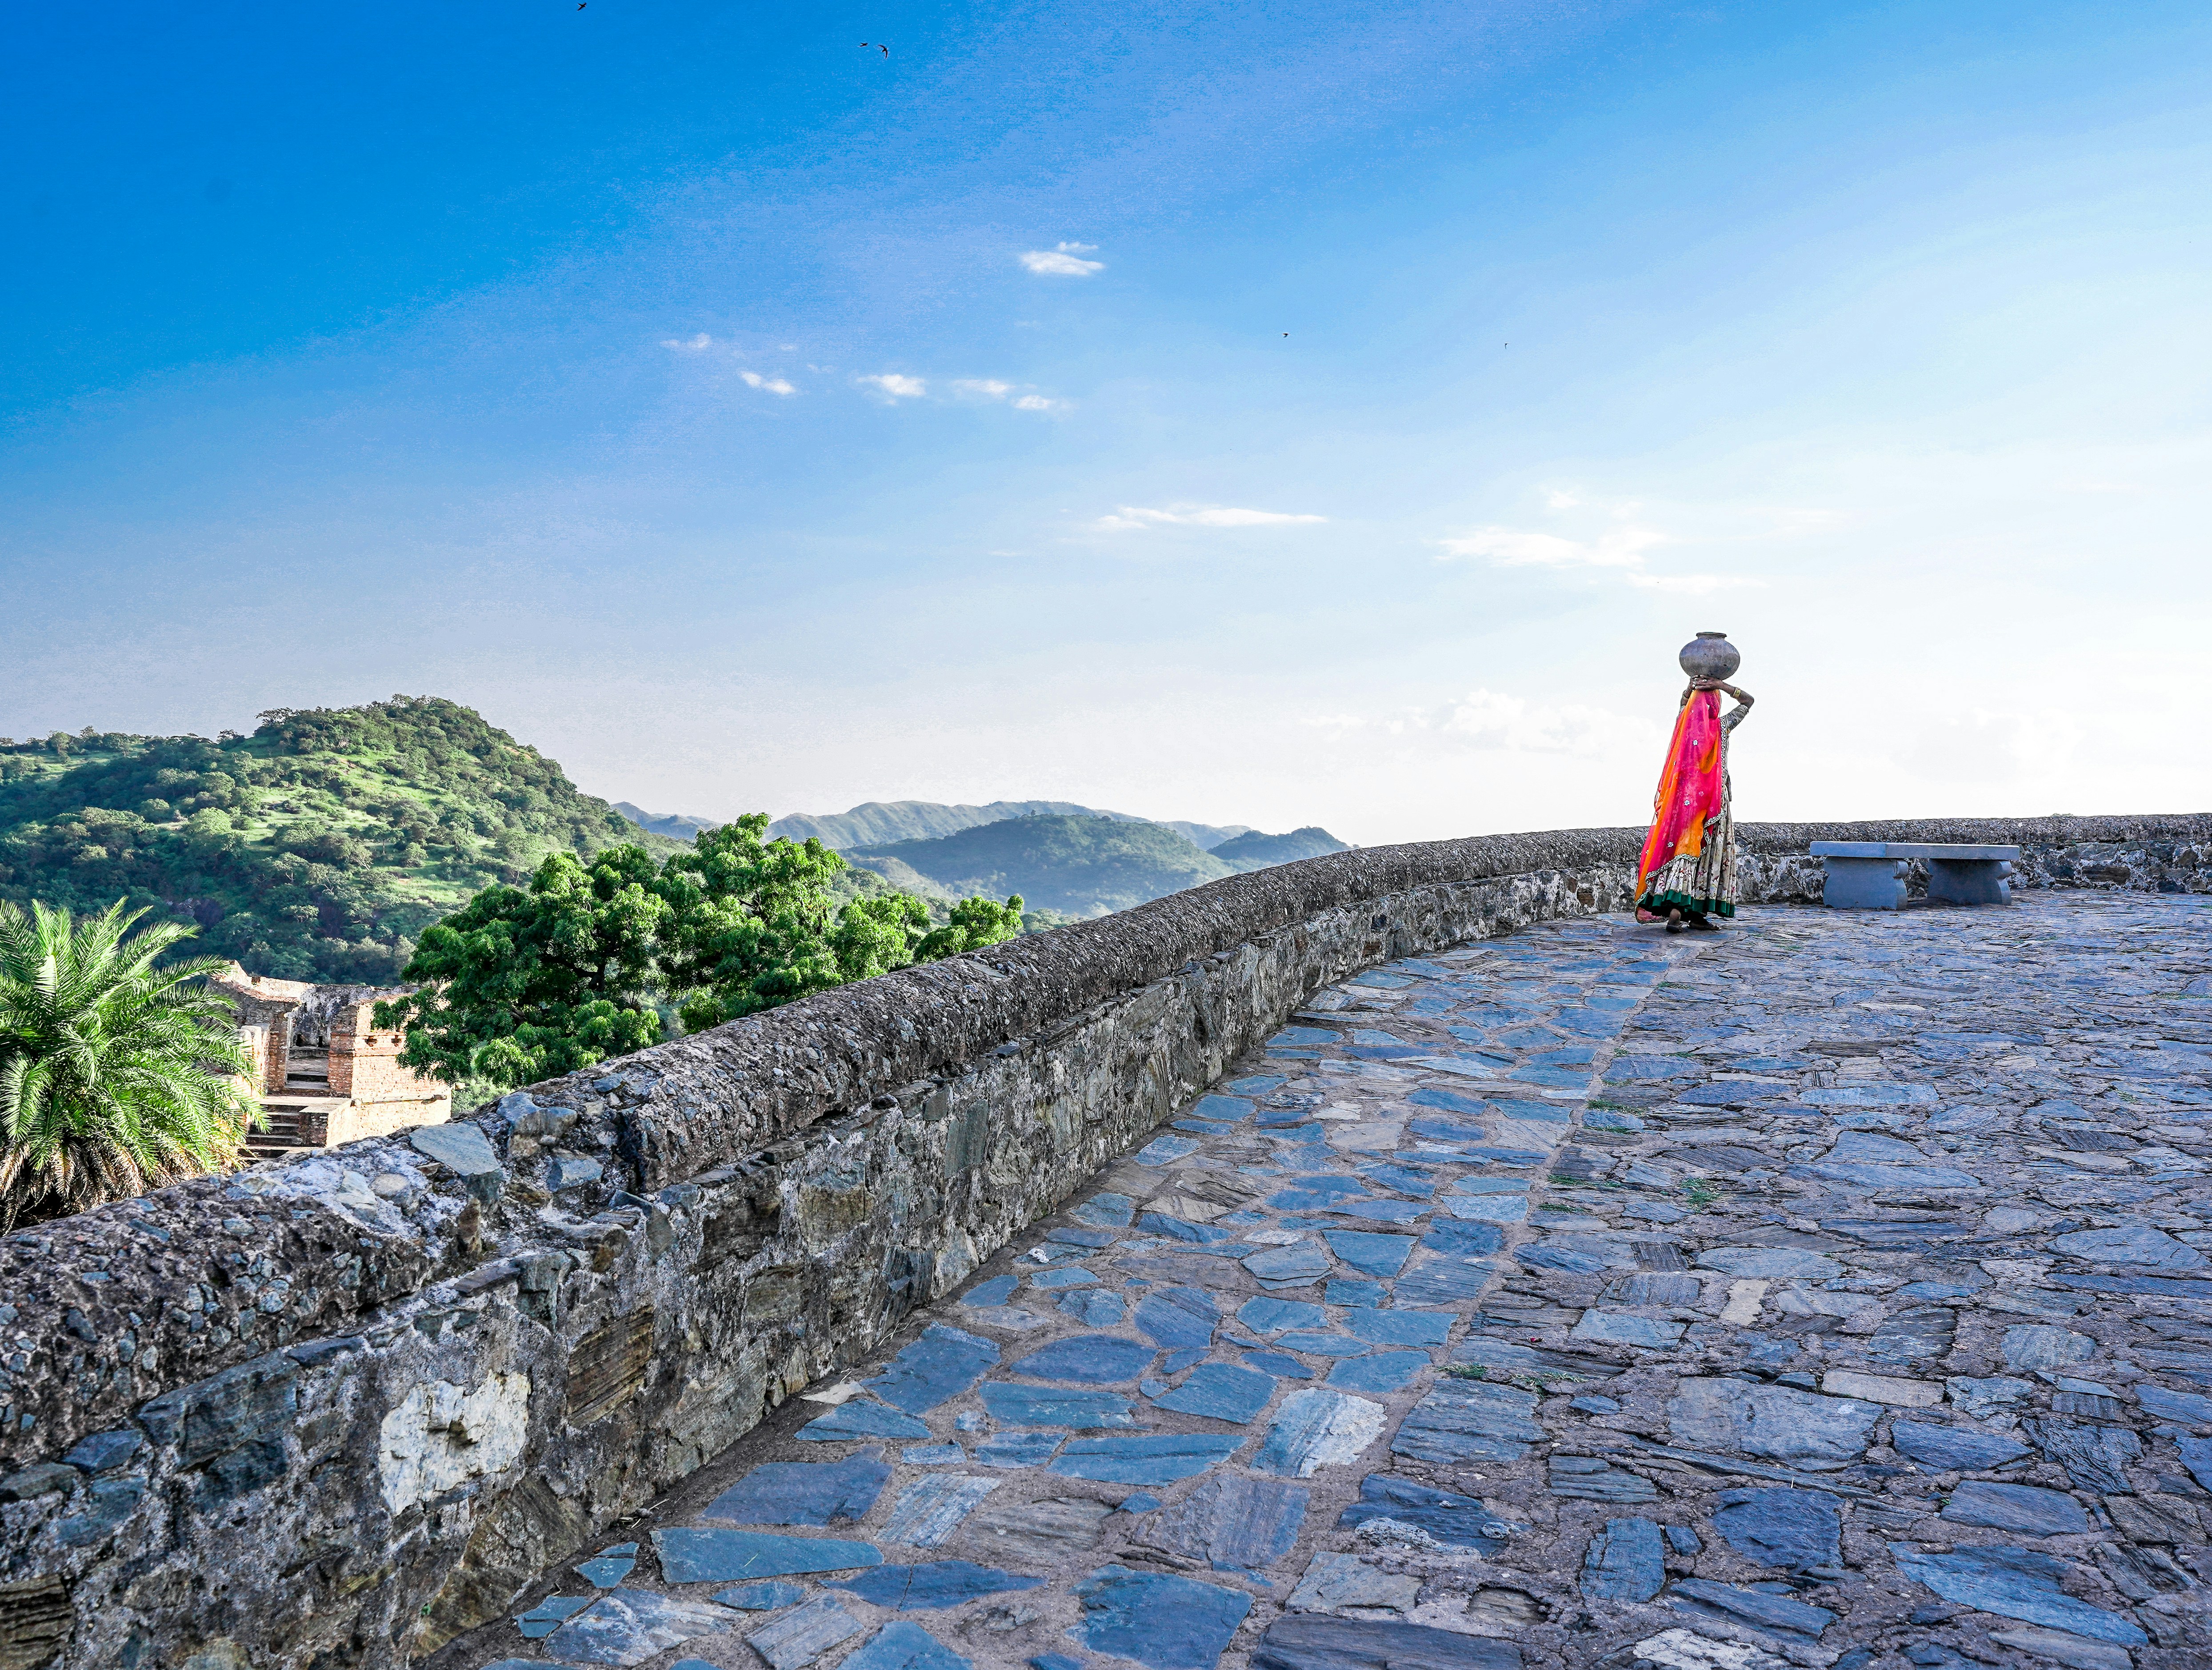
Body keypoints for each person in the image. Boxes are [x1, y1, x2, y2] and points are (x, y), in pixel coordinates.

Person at [1635, 674, 1755, 932]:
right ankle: (1693, 913)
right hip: (1713, 801)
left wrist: (1690, 688)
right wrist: (1722, 686)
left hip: (1681, 802)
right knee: (1708, 852)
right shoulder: (1722, 726)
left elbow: (1682, 703)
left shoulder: (1683, 724)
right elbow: (1749, 701)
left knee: (1680, 849)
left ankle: (1678, 908)